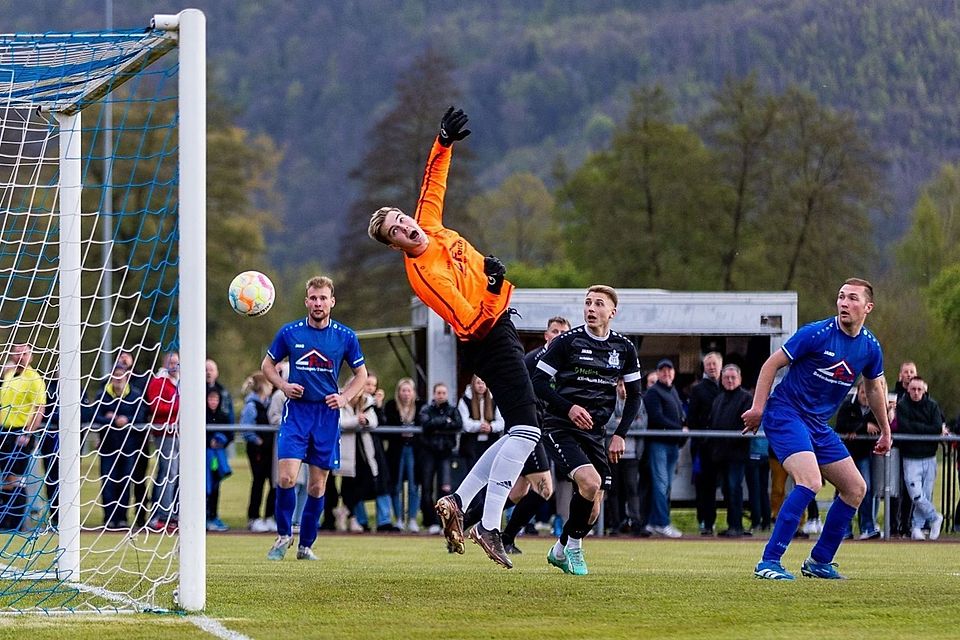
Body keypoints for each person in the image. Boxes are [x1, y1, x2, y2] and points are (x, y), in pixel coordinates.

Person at [367, 106, 541, 568]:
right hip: (489, 337)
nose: (406, 226)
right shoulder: (425, 275)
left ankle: (460, 501)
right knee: (527, 431)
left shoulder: (429, 225)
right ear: (394, 246)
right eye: (396, 231)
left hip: (499, 326)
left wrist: (443, 141)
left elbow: (433, 183)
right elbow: (470, 323)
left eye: (401, 218)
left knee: (519, 430)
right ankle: (488, 524)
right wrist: (492, 289)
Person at [743, 278, 892, 580]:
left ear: (868, 307)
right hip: (786, 414)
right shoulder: (816, 333)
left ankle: (819, 561)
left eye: (852, 298)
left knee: (856, 488)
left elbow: (874, 388)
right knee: (810, 481)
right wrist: (758, 408)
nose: (844, 303)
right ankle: (769, 561)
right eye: (841, 297)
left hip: (817, 425)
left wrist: (886, 431)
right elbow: (770, 365)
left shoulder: (870, 347)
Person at [532, 285, 642, 575]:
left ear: (612, 312)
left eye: (598, 304)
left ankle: (559, 550)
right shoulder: (566, 342)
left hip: (595, 433)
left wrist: (620, 434)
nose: (591, 309)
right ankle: (575, 549)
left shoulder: (623, 348)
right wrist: (568, 407)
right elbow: (538, 382)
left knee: (593, 509)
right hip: (560, 426)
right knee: (591, 483)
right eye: (588, 303)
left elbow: (635, 396)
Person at [260, 275, 367, 561]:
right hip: (296, 414)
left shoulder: (345, 336)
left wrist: (344, 397)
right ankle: (283, 535)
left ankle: (306, 545)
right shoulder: (290, 332)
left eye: (323, 298)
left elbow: (361, 375)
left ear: (332, 302)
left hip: (326, 416)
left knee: (317, 486)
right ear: (306, 301)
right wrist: (283, 386)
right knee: (286, 478)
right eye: (314, 298)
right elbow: (267, 365)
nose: (318, 303)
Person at [462, 316, 571, 555]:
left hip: (543, 431)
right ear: (546, 335)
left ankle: (465, 521)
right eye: (555, 331)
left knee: (519, 491)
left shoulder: (566, 364)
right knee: (544, 490)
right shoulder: (532, 361)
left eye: (563, 333)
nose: (559, 336)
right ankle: (501, 535)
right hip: (527, 430)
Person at [0, 344, 47, 531]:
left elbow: (39, 408)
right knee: (6, 477)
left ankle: (17, 522)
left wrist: (28, 432)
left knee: (16, 478)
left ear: (31, 357)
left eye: (24, 353)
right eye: (17, 353)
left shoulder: (34, 379)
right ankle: (6, 520)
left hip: (20, 433)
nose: (20, 356)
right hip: (4, 431)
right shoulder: (9, 375)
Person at [895, 376, 946, 541]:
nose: (916, 393)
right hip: (911, 457)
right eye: (913, 389)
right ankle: (934, 517)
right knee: (916, 495)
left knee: (926, 493)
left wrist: (917, 428)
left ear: (924, 390)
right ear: (908, 390)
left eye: (919, 389)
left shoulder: (932, 405)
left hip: (929, 456)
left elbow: (936, 427)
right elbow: (904, 427)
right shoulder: (902, 406)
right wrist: (925, 429)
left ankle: (917, 526)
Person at [94, 364, 145, 528]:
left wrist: (127, 420)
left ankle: (122, 518)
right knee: (108, 482)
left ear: (126, 377)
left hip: (128, 446)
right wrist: (111, 420)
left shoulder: (135, 395)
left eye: (121, 375)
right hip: (108, 446)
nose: (118, 379)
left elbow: (141, 415)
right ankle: (109, 518)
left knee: (125, 483)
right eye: (115, 375)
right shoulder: (102, 395)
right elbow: (94, 415)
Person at [707, 364, 753, 537]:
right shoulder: (718, 399)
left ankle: (736, 526)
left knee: (734, 488)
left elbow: (745, 425)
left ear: (740, 379)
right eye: (726, 377)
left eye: (733, 377)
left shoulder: (746, 399)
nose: (730, 380)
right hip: (720, 454)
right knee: (726, 490)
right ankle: (731, 524)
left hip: (737, 454)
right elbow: (713, 422)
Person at [643, 358, 686, 538]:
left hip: (672, 444)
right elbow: (657, 417)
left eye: (669, 370)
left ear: (674, 373)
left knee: (666, 485)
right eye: (663, 370)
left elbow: (679, 414)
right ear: (658, 373)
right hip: (659, 444)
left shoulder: (673, 391)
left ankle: (655, 522)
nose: (666, 373)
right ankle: (662, 523)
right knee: (660, 484)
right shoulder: (653, 392)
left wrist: (682, 428)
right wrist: (679, 429)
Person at [834, 382, 881, 539]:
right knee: (844, 490)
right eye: (862, 392)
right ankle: (843, 529)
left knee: (865, 489)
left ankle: (867, 527)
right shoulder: (848, 406)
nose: (865, 396)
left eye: (868, 393)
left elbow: (879, 427)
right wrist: (862, 427)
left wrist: (856, 429)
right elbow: (841, 425)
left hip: (864, 455)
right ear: (858, 392)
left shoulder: (875, 409)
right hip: (846, 455)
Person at [417, 383, 462, 537]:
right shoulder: (426, 409)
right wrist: (445, 421)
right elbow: (426, 425)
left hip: (445, 453)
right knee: (427, 487)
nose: (441, 395)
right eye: (438, 392)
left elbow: (458, 424)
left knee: (444, 489)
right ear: (434, 394)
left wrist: (437, 423)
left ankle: (443, 522)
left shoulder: (453, 410)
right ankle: (430, 522)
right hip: (428, 453)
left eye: (443, 392)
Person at [688, 352, 723, 536]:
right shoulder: (698, 389)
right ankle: (705, 522)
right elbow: (692, 418)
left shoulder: (727, 386)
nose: (711, 367)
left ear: (721, 365)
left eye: (714, 364)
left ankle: (731, 524)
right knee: (704, 487)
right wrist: (701, 439)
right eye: (708, 364)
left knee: (726, 486)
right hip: (704, 447)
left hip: (724, 446)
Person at [145, 351, 180, 532]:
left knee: (175, 474)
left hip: (180, 433)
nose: (175, 366)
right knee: (168, 473)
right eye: (171, 362)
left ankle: (171, 512)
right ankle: (162, 515)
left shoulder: (180, 382)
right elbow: (156, 406)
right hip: (165, 433)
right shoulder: (158, 382)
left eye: (177, 362)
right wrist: (179, 406)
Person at [383, 377, 424, 533]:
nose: (406, 393)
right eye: (403, 390)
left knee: (414, 485)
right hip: (396, 450)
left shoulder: (420, 407)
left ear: (413, 392)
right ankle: (399, 519)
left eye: (409, 390)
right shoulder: (391, 406)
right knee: (396, 485)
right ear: (398, 392)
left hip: (414, 450)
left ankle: (412, 519)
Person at [241, 372, 276, 533]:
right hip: (258, 450)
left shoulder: (269, 403)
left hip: (270, 449)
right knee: (258, 482)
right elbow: (246, 429)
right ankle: (254, 517)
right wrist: (257, 440)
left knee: (273, 482)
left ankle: (269, 516)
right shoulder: (251, 406)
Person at [457, 375, 504, 473]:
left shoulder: (494, 400)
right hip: (471, 445)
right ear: (473, 384)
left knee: (489, 471)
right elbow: (465, 424)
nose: (481, 386)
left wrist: (491, 427)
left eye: (483, 383)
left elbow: (501, 422)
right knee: (472, 471)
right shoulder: (465, 400)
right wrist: (480, 426)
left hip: (490, 443)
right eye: (478, 383)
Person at [205, 387, 233, 532]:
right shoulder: (202, 415)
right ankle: (204, 515)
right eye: (210, 399)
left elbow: (230, 434)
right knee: (205, 486)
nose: (213, 402)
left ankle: (214, 516)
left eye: (215, 399)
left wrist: (221, 442)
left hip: (218, 458)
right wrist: (208, 442)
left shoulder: (223, 416)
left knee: (215, 486)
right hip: (205, 457)